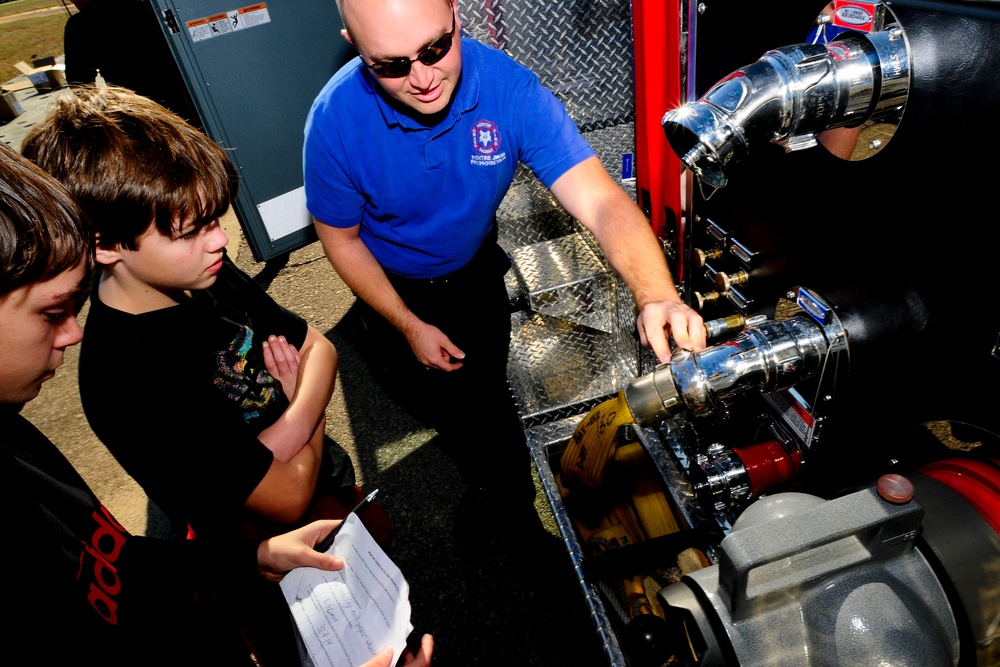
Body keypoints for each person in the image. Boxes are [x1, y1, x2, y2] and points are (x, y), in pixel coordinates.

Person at [0, 141, 433, 667]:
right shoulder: (128, 375)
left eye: (214, 220)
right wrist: (302, 401)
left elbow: (320, 347)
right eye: (192, 230)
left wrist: (288, 431)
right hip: (264, 571)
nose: (222, 239)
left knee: (383, 610)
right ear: (108, 245)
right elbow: (287, 497)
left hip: (299, 517)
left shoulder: (199, 271)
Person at [303, 0, 707, 535]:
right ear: (355, 47)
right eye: (392, 65)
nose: (422, 79)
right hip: (391, 288)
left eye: (435, 48)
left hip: (474, 273)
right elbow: (341, 239)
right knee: (432, 399)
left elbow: (600, 200)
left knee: (486, 397)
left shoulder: (508, 90)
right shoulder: (333, 123)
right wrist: (407, 323)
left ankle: (513, 509)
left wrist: (655, 293)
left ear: (456, 14)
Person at [63, 0, 200, 125]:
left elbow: (79, 82)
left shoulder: (80, 25)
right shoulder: (150, 7)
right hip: (186, 96)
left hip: (138, 111)